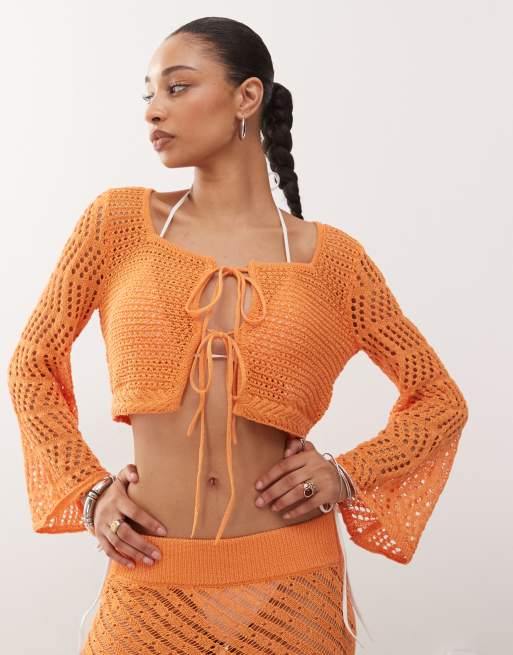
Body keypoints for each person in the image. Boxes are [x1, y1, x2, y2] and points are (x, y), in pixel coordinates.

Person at [7, 16, 469, 655]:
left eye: (177, 87)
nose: (153, 110)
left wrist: (347, 474)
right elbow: (32, 363)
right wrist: (88, 491)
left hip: (294, 586)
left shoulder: (333, 260)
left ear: (247, 96)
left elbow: (439, 400)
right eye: (148, 93)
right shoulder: (116, 223)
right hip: (149, 576)